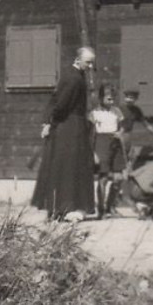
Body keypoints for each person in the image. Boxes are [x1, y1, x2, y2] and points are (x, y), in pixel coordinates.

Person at [32, 46, 97, 221]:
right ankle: (66, 207)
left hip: (70, 125)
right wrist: (50, 122)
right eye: (88, 62)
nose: (90, 66)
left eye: (92, 63)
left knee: (67, 165)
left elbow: (55, 101)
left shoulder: (75, 76)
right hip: (69, 126)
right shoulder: (74, 79)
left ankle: (64, 207)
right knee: (69, 166)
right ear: (78, 60)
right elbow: (60, 105)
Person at [89, 85, 127, 216]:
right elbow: (91, 135)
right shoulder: (94, 113)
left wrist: (120, 133)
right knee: (103, 178)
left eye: (112, 97)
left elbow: (122, 128)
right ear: (101, 98)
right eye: (108, 97)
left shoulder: (117, 111)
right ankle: (101, 209)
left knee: (119, 178)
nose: (111, 99)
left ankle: (110, 206)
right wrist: (93, 152)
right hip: (101, 144)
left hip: (115, 144)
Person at [118, 88, 153, 172]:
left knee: (131, 158)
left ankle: (126, 176)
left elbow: (146, 125)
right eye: (127, 97)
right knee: (121, 158)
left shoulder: (136, 110)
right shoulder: (118, 108)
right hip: (117, 135)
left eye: (132, 98)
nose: (129, 100)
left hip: (127, 135)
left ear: (136, 99)